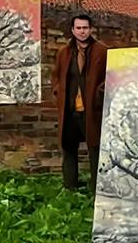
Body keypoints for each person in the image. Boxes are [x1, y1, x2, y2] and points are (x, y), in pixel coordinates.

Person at [51, 14, 108, 190]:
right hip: (70, 109)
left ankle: (97, 189)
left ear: (91, 29)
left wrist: (99, 94)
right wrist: (58, 91)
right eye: (78, 28)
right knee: (68, 148)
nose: (82, 31)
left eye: (85, 28)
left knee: (95, 149)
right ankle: (70, 188)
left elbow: (111, 75)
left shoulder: (102, 50)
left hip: (92, 109)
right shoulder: (64, 52)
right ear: (73, 30)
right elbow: (56, 76)